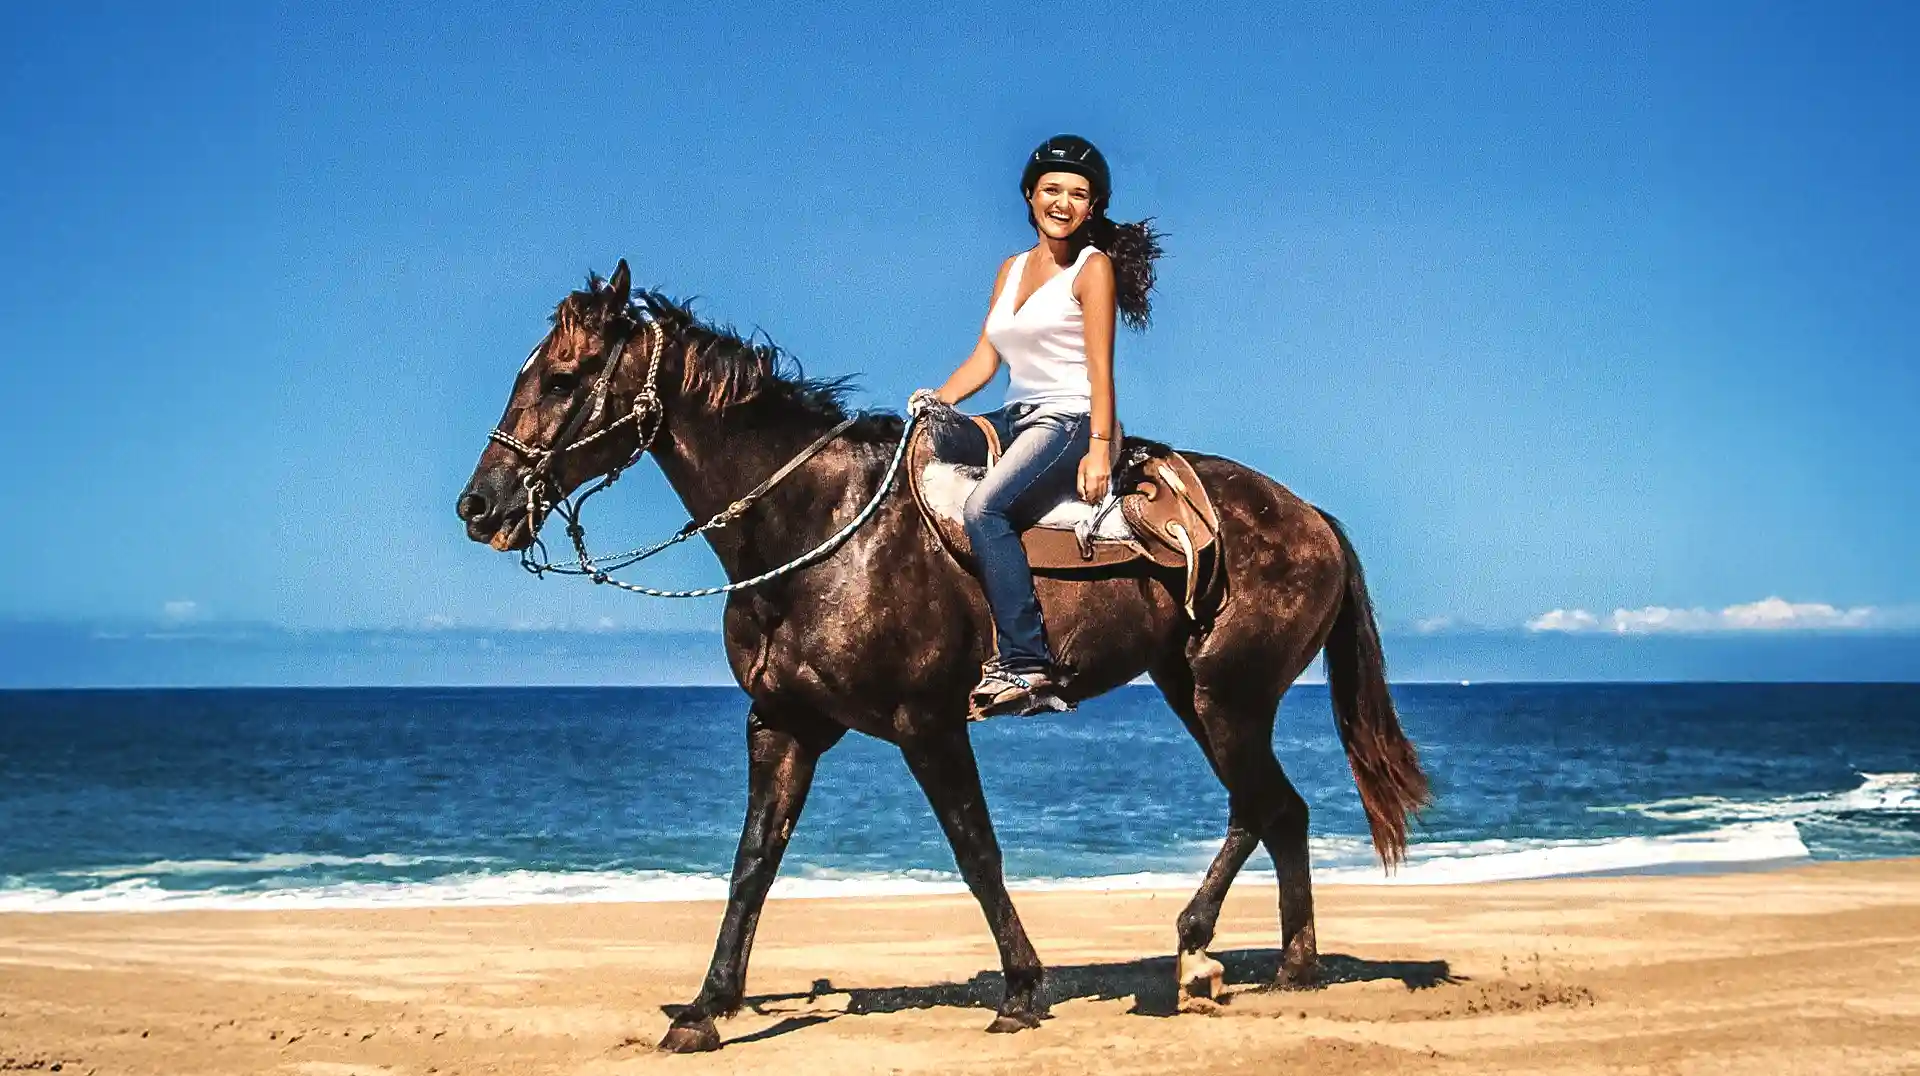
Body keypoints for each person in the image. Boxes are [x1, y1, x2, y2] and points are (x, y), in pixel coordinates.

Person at [909, 134, 1163, 718]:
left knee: (986, 510)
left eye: (1079, 194)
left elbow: (1101, 369)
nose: (1063, 202)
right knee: (911, 447)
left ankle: (1027, 663)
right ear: (1029, 195)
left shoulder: (1092, 269)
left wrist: (1100, 448)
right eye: (1053, 189)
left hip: (1069, 420)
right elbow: (985, 359)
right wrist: (936, 401)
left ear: (1093, 207)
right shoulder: (1011, 268)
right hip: (1013, 416)